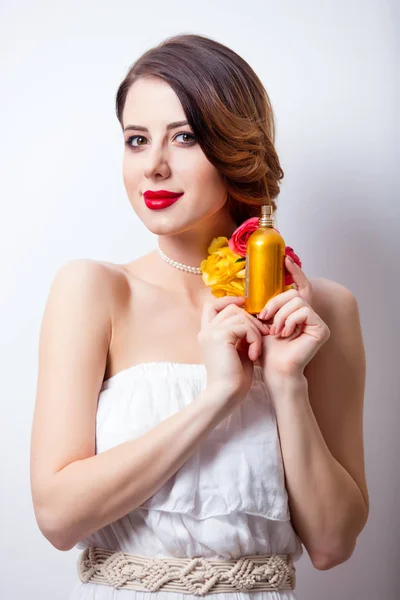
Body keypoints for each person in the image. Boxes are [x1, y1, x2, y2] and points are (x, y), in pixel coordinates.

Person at [30, 33, 369, 599]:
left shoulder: (322, 310)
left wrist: (286, 383)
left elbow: (333, 545)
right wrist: (218, 397)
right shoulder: (94, 290)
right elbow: (58, 518)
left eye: (184, 137)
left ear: (236, 145)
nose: (154, 167)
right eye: (136, 140)